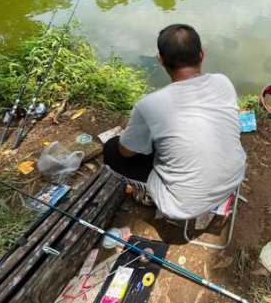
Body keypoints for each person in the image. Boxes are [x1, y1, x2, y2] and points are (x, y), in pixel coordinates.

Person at [103, 24, 246, 220]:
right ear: (202, 54)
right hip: (234, 178)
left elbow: (125, 152)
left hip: (183, 205)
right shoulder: (223, 82)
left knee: (112, 150)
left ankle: (148, 195)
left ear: (160, 60)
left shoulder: (149, 105)